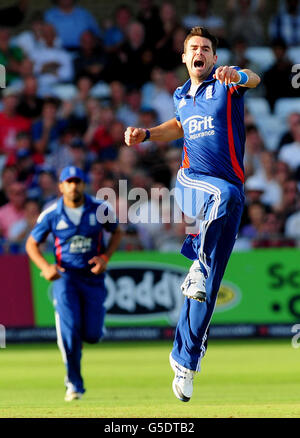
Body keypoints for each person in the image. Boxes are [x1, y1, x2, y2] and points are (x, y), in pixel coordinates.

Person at [124, 26, 260, 402]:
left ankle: (184, 362)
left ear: (214, 58)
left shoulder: (226, 84)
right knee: (226, 195)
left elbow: (255, 78)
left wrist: (239, 74)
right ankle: (197, 264)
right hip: (192, 181)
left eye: (206, 48)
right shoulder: (180, 94)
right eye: (193, 48)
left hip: (225, 199)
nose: (199, 52)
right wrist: (147, 134)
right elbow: (180, 127)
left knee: (207, 289)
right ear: (185, 58)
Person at [25, 166, 123, 401]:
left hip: (92, 277)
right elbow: (31, 244)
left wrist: (105, 257)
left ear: (83, 184)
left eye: (77, 181)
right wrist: (46, 267)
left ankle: (88, 334)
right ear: (61, 187)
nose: (73, 186)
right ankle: (74, 384)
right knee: (70, 332)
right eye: (68, 182)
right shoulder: (51, 214)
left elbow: (117, 232)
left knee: (91, 335)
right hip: (65, 277)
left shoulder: (100, 209)